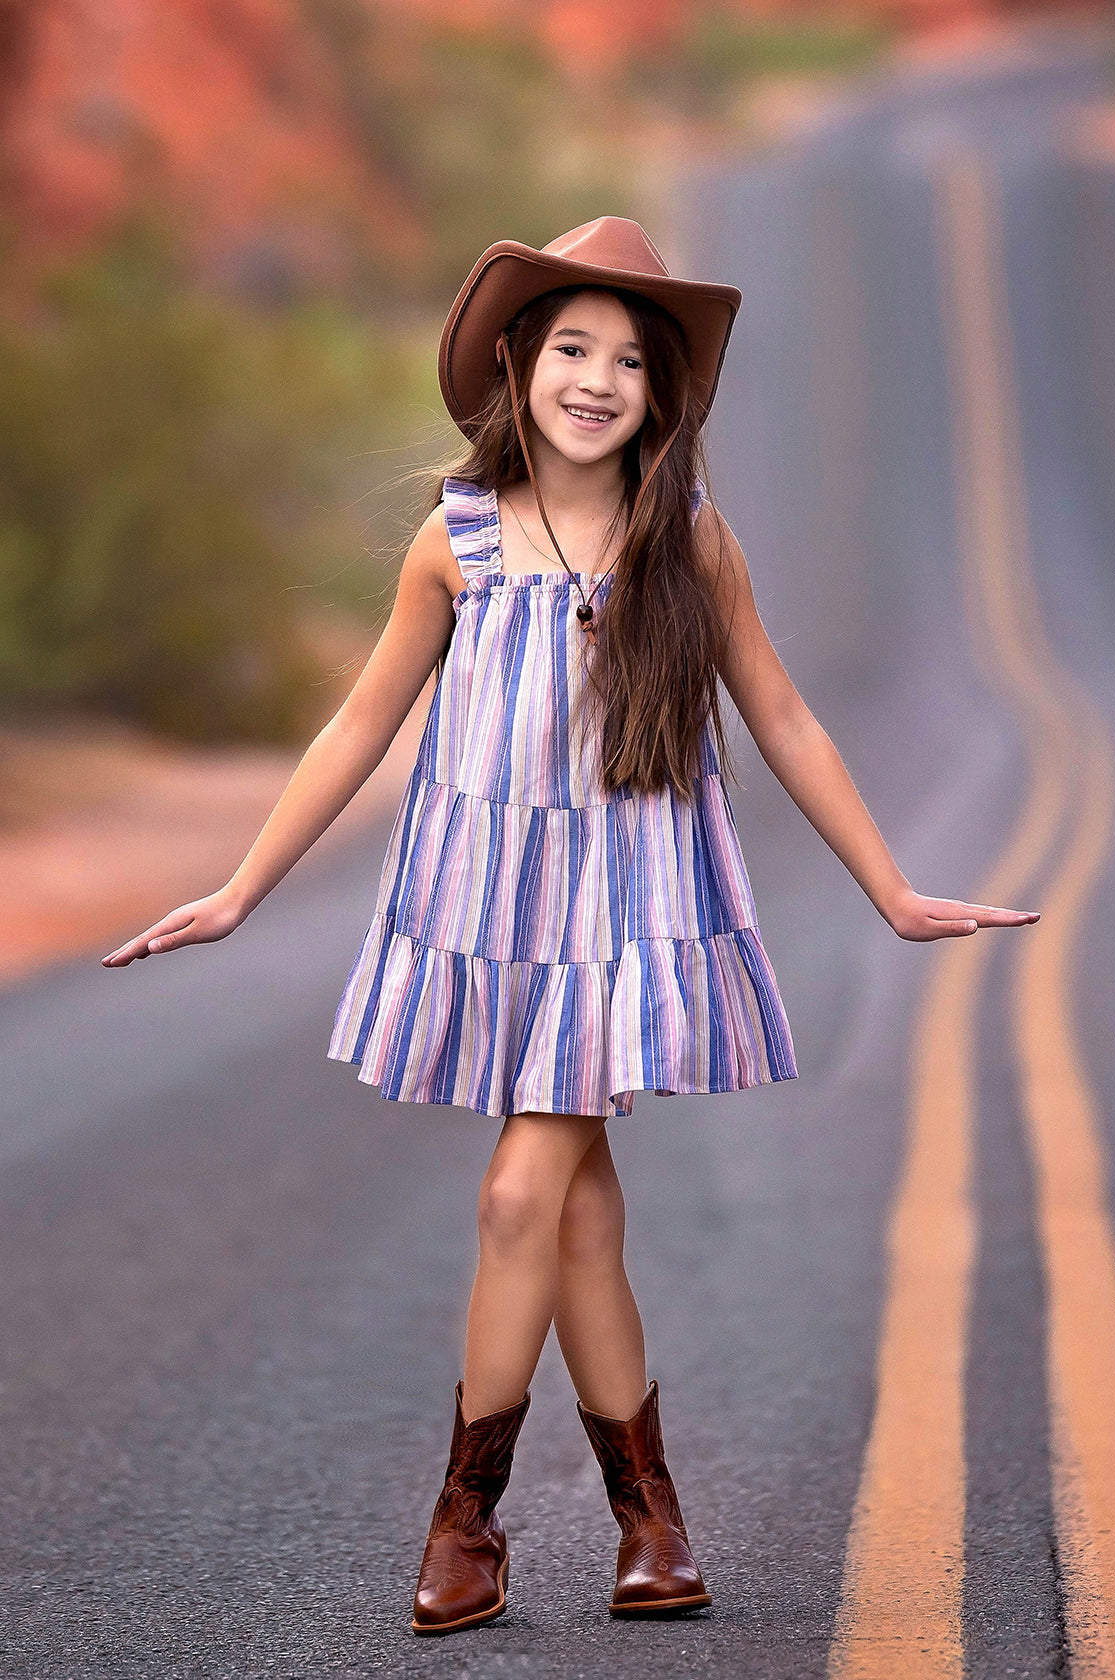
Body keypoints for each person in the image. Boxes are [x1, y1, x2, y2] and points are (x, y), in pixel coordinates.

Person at [102, 216, 1039, 1637]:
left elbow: (781, 717)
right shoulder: (456, 539)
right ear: (515, 365)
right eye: (569, 350)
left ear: (661, 393)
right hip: (489, 910)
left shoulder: (688, 541)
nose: (596, 381)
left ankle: (464, 1520)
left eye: (628, 361)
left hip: (622, 915)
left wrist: (892, 891)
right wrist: (241, 889)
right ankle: (649, 1524)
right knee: (580, 1218)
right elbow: (361, 724)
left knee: (513, 1200)